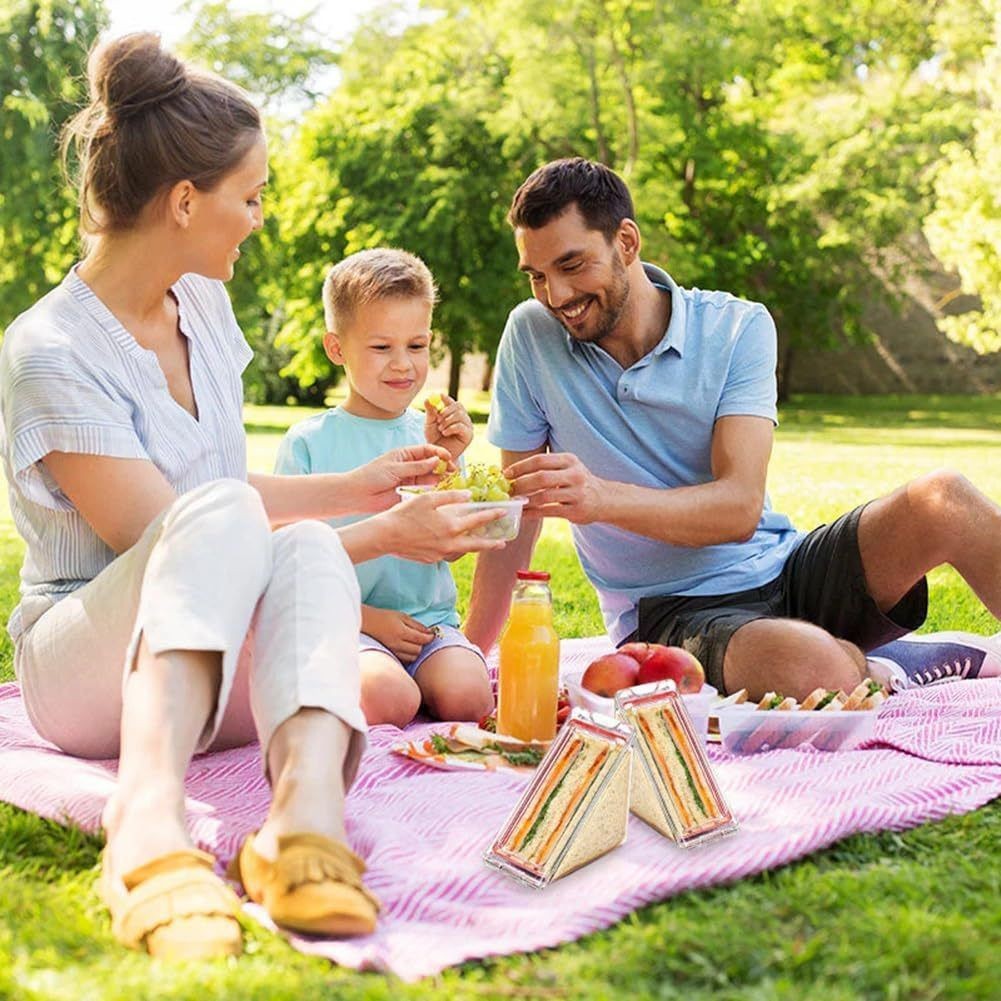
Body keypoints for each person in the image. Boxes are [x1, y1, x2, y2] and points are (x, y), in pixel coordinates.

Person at [0, 34, 506, 961]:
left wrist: (355, 488)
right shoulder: (49, 352)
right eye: (252, 194)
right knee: (260, 527)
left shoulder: (203, 304)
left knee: (306, 542)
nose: (260, 218)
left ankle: (302, 823)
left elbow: (222, 499)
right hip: (83, 670)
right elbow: (183, 540)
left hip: (209, 646)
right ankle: (145, 823)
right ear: (185, 201)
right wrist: (381, 530)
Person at [465, 156, 1001, 699]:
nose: (556, 296)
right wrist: (471, 653)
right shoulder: (531, 336)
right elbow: (517, 516)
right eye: (537, 276)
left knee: (944, 500)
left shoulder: (737, 326)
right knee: (812, 668)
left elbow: (740, 508)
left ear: (626, 242)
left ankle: (860, 657)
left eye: (572, 265)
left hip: (784, 568)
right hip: (670, 610)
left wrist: (601, 498)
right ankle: (875, 661)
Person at [274, 249, 495, 729]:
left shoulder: (432, 435)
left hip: (427, 623)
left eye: (416, 346)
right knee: (390, 698)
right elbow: (291, 565)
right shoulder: (309, 443)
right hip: (344, 621)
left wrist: (448, 461)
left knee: (470, 697)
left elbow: (452, 548)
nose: (403, 365)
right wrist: (367, 620)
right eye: (381, 348)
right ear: (337, 349)